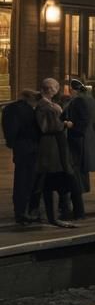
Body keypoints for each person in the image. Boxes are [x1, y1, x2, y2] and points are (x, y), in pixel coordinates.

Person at [34, 78, 81, 228]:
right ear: (51, 89)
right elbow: (47, 126)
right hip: (50, 147)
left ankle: (47, 214)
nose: (55, 90)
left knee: (49, 181)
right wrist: (65, 124)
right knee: (49, 181)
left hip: (54, 145)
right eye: (55, 88)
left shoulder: (47, 104)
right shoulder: (44, 105)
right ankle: (49, 215)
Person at [2, 89, 42, 225]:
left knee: (21, 180)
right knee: (27, 181)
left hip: (20, 148)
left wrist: (12, 143)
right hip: (30, 148)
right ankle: (24, 212)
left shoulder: (10, 109)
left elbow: (9, 129)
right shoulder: (29, 110)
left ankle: (20, 211)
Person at [65, 78, 95, 216]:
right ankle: (77, 209)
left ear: (72, 89)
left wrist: (71, 125)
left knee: (75, 174)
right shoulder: (89, 99)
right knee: (79, 174)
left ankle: (77, 210)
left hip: (78, 141)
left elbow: (83, 121)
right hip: (85, 140)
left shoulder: (78, 100)